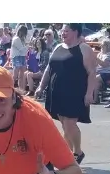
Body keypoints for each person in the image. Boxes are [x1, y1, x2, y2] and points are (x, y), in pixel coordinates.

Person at [36, 23, 96, 164]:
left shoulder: (84, 49)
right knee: (64, 124)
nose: (63, 33)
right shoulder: (58, 47)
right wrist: (41, 86)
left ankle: (78, 152)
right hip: (57, 91)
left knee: (69, 124)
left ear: (75, 32)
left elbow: (92, 72)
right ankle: (66, 155)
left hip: (74, 92)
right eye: (62, 31)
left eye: (66, 31)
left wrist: (89, 93)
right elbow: (48, 69)